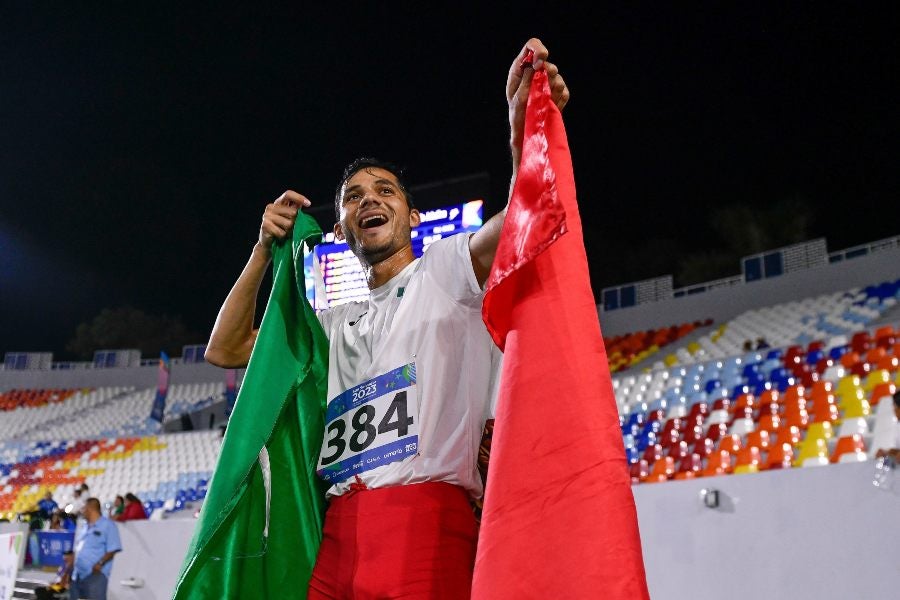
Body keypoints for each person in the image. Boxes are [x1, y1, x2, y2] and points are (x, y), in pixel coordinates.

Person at [205, 38, 569, 597]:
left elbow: (524, 218)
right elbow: (226, 351)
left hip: (423, 516)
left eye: (384, 190)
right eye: (352, 197)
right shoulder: (330, 323)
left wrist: (523, 129)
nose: (367, 200)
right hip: (335, 531)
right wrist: (260, 252)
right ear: (342, 227)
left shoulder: (446, 273)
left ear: (412, 214)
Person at [69, 498, 122, 600]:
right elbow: (78, 547)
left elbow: (113, 548)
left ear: (90, 508)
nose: (82, 511)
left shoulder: (108, 525)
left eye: (84, 508)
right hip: (77, 574)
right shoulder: (84, 527)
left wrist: (100, 563)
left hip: (95, 574)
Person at [874, 390, 900, 461]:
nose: (893, 410)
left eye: (895, 406)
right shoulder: (898, 427)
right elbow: (898, 451)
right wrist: (886, 452)